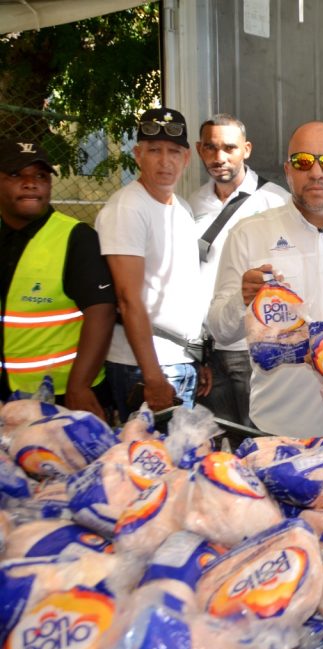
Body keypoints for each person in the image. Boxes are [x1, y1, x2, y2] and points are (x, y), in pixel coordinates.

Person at [206, 121, 323, 437]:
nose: (316, 172)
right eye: (303, 161)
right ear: (287, 170)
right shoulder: (249, 234)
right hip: (278, 428)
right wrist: (242, 300)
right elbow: (220, 331)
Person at [96, 107, 210, 421]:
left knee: (177, 464)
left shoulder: (182, 208)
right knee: (149, 466)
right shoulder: (128, 208)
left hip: (179, 360)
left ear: (186, 158)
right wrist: (153, 376)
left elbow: (180, 289)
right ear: (137, 154)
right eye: (154, 151)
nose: (165, 161)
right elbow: (128, 298)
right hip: (143, 367)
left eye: (174, 152)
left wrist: (196, 357)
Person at [0, 139, 115, 418]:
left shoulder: (76, 237)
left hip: (61, 396)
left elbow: (102, 311)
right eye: (17, 175)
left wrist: (80, 385)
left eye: (40, 176)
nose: (31, 183)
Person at [188, 113, 290, 427]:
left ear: (246, 149)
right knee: (222, 441)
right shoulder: (193, 202)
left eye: (229, 148)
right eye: (210, 148)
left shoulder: (276, 201)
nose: (219, 157)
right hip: (206, 348)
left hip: (251, 349)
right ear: (198, 150)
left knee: (259, 437)